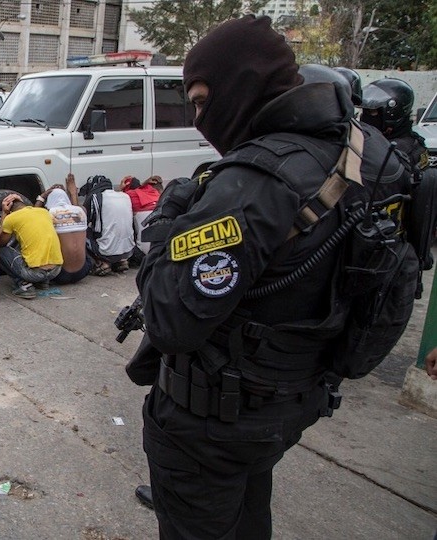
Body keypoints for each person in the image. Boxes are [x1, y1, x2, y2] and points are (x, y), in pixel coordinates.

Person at [129, 16, 412, 538]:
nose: (197, 118)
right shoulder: (373, 152)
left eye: (199, 99)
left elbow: (169, 321)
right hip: (291, 401)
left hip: (212, 424)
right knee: (249, 514)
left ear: (238, 85)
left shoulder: (253, 181)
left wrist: (166, 225)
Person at [0, 192, 63, 298]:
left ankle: (24, 285)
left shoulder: (12, 218)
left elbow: (1, 242)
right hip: (56, 270)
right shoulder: (44, 212)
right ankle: (43, 282)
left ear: (9, 208)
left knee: (0, 250)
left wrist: (5, 213)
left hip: (34, 274)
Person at [34, 173, 91, 285]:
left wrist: (42, 196)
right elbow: (75, 209)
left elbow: (33, 215)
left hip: (60, 275)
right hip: (83, 271)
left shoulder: (48, 214)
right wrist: (72, 192)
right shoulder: (81, 211)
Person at [361, 78, 429, 171]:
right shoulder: (375, 140)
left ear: (393, 113)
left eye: (372, 112)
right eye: (364, 111)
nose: (364, 117)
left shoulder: (403, 151)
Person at [79, 175, 136, 274]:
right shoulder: (125, 196)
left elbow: (82, 221)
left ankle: (103, 263)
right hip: (128, 250)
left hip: (105, 250)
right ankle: (122, 261)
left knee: (82, 232)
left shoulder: (96, 197)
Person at [120, 174, 162, 261]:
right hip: (163, 250)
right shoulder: (154, 193)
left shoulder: (128, 196)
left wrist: (121, 189)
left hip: (145, 254)